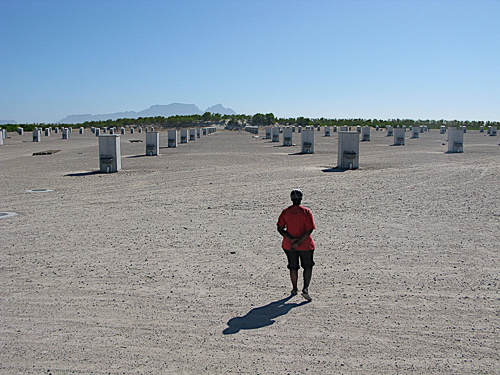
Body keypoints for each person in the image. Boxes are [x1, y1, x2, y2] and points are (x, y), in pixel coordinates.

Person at [277, 189, 316, 301]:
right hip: (306, 245)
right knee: (307, 266)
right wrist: (299, 242)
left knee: (293, 267)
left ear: (291, 199)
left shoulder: (286, 212)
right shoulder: (306, 212)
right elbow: (309, 230)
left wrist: (292, 240)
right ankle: (305, 289)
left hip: (289, 245)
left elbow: (280, 228)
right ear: (301, 199)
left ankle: (294, 288)